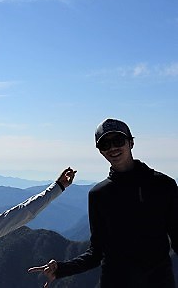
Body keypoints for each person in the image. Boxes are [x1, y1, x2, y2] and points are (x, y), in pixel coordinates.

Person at [28, 118, 178, 287]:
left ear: (131, 143)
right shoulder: (99, 194)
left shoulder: (163, 185)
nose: (112, 148)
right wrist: (61, 269)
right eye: (105, 144)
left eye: (118, 141)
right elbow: (96, 253)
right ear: (100, 151)